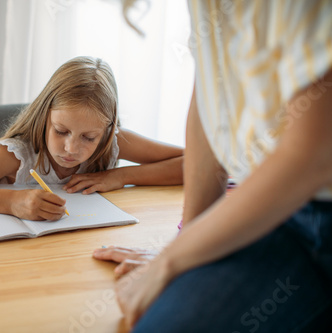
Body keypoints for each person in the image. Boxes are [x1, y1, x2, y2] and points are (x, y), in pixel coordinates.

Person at [93, 1, 332, 331]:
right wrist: (186, 246)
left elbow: (313, 155)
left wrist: (168, 262)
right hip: (274, 211)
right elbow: (211, 100)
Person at [0, 56, 183, 221]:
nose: (71, 148)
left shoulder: (112, 143)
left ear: (108, 129)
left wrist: (122, 177)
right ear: (45, 115)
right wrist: (11, 203)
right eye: (61, 131)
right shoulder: (18, 155)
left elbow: (195, 162)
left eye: (89, 137)